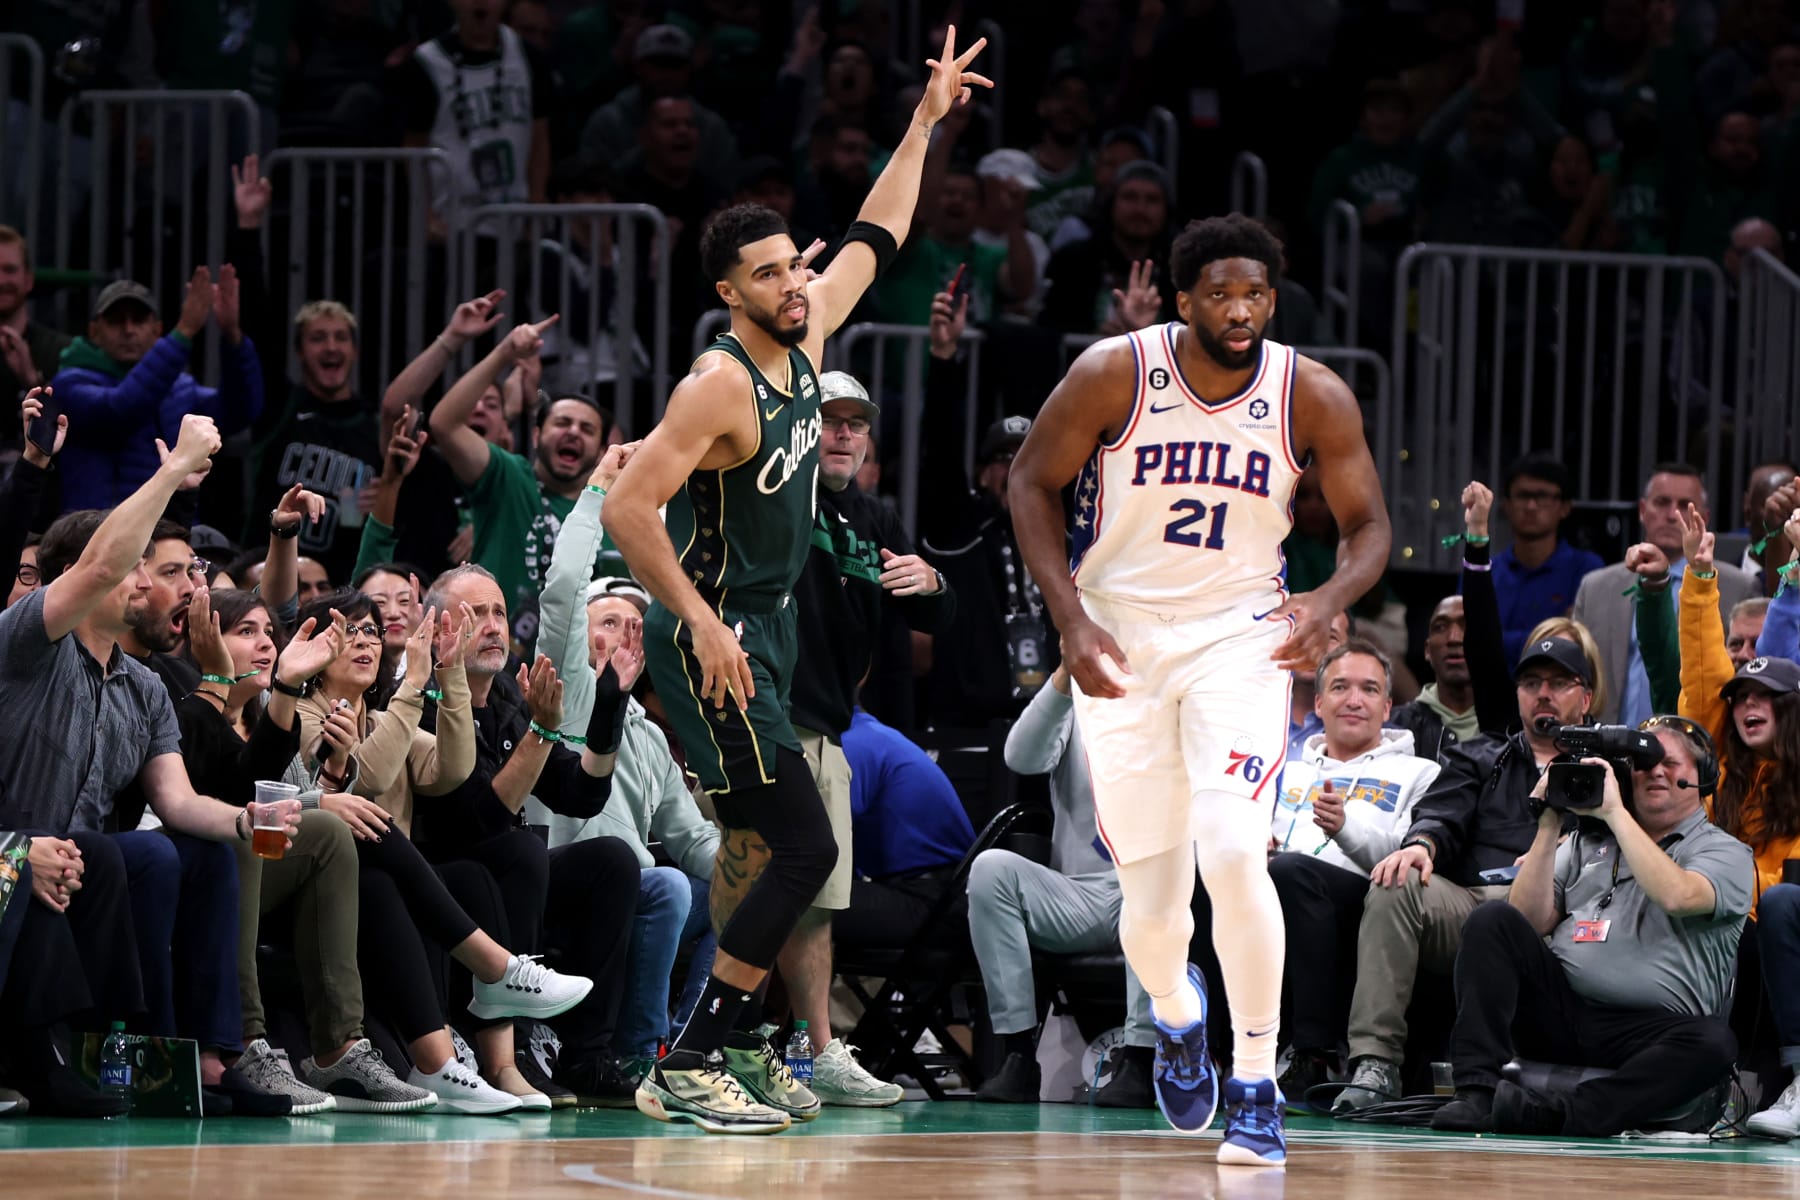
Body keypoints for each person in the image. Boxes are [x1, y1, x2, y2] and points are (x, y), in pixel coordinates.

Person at [600, 27, 992, 1135]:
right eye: (770, 273)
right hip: (714, 636)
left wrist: (924, 122)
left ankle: (745, 1044)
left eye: (795, 266)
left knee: (766, 847)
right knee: (805, 845)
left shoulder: (809, 345)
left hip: (767, 631)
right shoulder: (717, 386)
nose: (794, 282)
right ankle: (690, 1058)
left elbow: (880, 230)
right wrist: (698, 623)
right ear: (730, 290)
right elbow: (629, 509)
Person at [1008, 213, 1393, 1166]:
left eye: (1255, 293)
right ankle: (1178, 1012)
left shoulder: (1311, 392)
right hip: (1123, 640)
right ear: (1183, 301)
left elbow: (1369, 527)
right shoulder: (1116, 372)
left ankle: (1256, 1086)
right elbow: (1030, 483)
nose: (1240, 310)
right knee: (1151, 910)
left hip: (1241, 637)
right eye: (1220, 294)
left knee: (1232, 850)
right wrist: (1070, 619)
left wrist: (1327, 600)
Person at [0, 415, 304, 1117]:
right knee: (117, 855)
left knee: (200, 854)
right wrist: (173, 471)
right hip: (20, 851)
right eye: (139, 566)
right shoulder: (28, 644)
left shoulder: (144, 685)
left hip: (82, 861)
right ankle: (111, 1051)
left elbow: (177, 801)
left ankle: (204, 1058)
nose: (144, 582)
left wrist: (246, 820)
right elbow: (102, 565)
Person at [1430, 720, 1751, 1136]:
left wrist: (1617, 814)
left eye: (1670, 763)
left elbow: (1678, 896)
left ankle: (1558, 1115)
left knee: (1714, 1044)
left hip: (1650, 1035)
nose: (1655, 772)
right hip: (1562, 1013)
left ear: (1702, 778)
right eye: (1643, 763)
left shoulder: (1725, 851)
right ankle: (1476, 1093)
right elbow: (1527, 918)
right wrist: (1548, 823)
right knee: (1492, 919)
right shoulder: (1586, 842)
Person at [1332, 636, 1595, 1114]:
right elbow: (1441, 814)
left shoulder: (1607, 763)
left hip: (1564, 907)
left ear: (1586, 697)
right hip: (1473, 898)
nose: (1543, 694)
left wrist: (1564, 850)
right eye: (1531, 683)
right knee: (1396, 880)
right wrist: (1420, 845)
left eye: (1559, 683)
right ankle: (1376, 1062)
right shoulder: (1480, 754)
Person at [783, 369, 952, 1107]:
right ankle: (734, 1044)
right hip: (768, 716)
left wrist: (933, 585)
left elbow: (933, 619)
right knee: (767, 887)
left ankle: (812, 1053)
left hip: (831, 726)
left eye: (857, 424)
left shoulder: (875, 519)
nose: (844, 434)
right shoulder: (777, 496)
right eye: (830, 420)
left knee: (817, 899)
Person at [1266, 639, 1441, 1101]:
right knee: (1206, 880)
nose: (1354, 699)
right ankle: (1211, 1055)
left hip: (1367, 905)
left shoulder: (1421, 772)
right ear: (1319, 703)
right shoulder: (1284, 770)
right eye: (1340, 687)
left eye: (1369, 689)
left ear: (1388, 707)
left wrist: (1345, 829)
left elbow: (1404, 854)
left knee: (1293, 873)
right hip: (1279, 893)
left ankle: (1315, 1056)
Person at [973, 662, 1154, 1107]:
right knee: (991, 869)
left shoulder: (1178, 697)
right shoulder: (1078, 700)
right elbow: (1020, 758)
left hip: (1156, 891)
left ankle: (1141, 1059)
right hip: (1078, 895)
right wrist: (1065, 675)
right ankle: (1018, 1054)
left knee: (1150, 883)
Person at [427, 313, 609, 654]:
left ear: (602, 452)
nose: (573, 432)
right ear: (536, 435)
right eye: (562, 423)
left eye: (587, 429)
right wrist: (504, 354)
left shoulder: (611, 514)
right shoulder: (508, 478)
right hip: (492, 656)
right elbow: (444, 424)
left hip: (574, 667)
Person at [53, 271, 264, 512]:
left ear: (156, 330)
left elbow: (240, 411)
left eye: (139, 320)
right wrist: (183, 332)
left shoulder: (180, 388)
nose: (128, 329)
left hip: (169, 528)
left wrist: (233, 336)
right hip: (99, 529)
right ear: (94, 331)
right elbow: (120, 408)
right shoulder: (70, 383)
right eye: (115, 320)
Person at [1572, 463, 1759, 724]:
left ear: (1704, 518)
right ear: (1642, 510)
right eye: (1661, 502)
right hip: (1607, 739)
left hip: (1698, 740)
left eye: (1685, 505)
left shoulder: (1739, 587)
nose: (1672, 515)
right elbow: (1574, 673)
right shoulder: (1595, 588)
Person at [1491, 453, 1604, 665]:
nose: (1531, 506)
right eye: (1523, 496)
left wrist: (1500, 640)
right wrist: (1555, 636)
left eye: (1542, 497)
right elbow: (1473, 641)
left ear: (1565, 507)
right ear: (1506, 505)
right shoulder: (1486, 572)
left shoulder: (1588, 570)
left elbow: (1586, 646)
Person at [0, 225, 72, 449]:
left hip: (39, 469)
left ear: (28, 280)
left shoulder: (62, 351)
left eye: (10, 270)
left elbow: (76, 427)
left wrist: (32, 379)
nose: (1, 280)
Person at [1388, 595, 1477, 761]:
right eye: (1441, 627)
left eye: (1467, 625)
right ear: (1427, 650)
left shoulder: (1515, 723)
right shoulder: (1394, 727)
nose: (1454, 638)